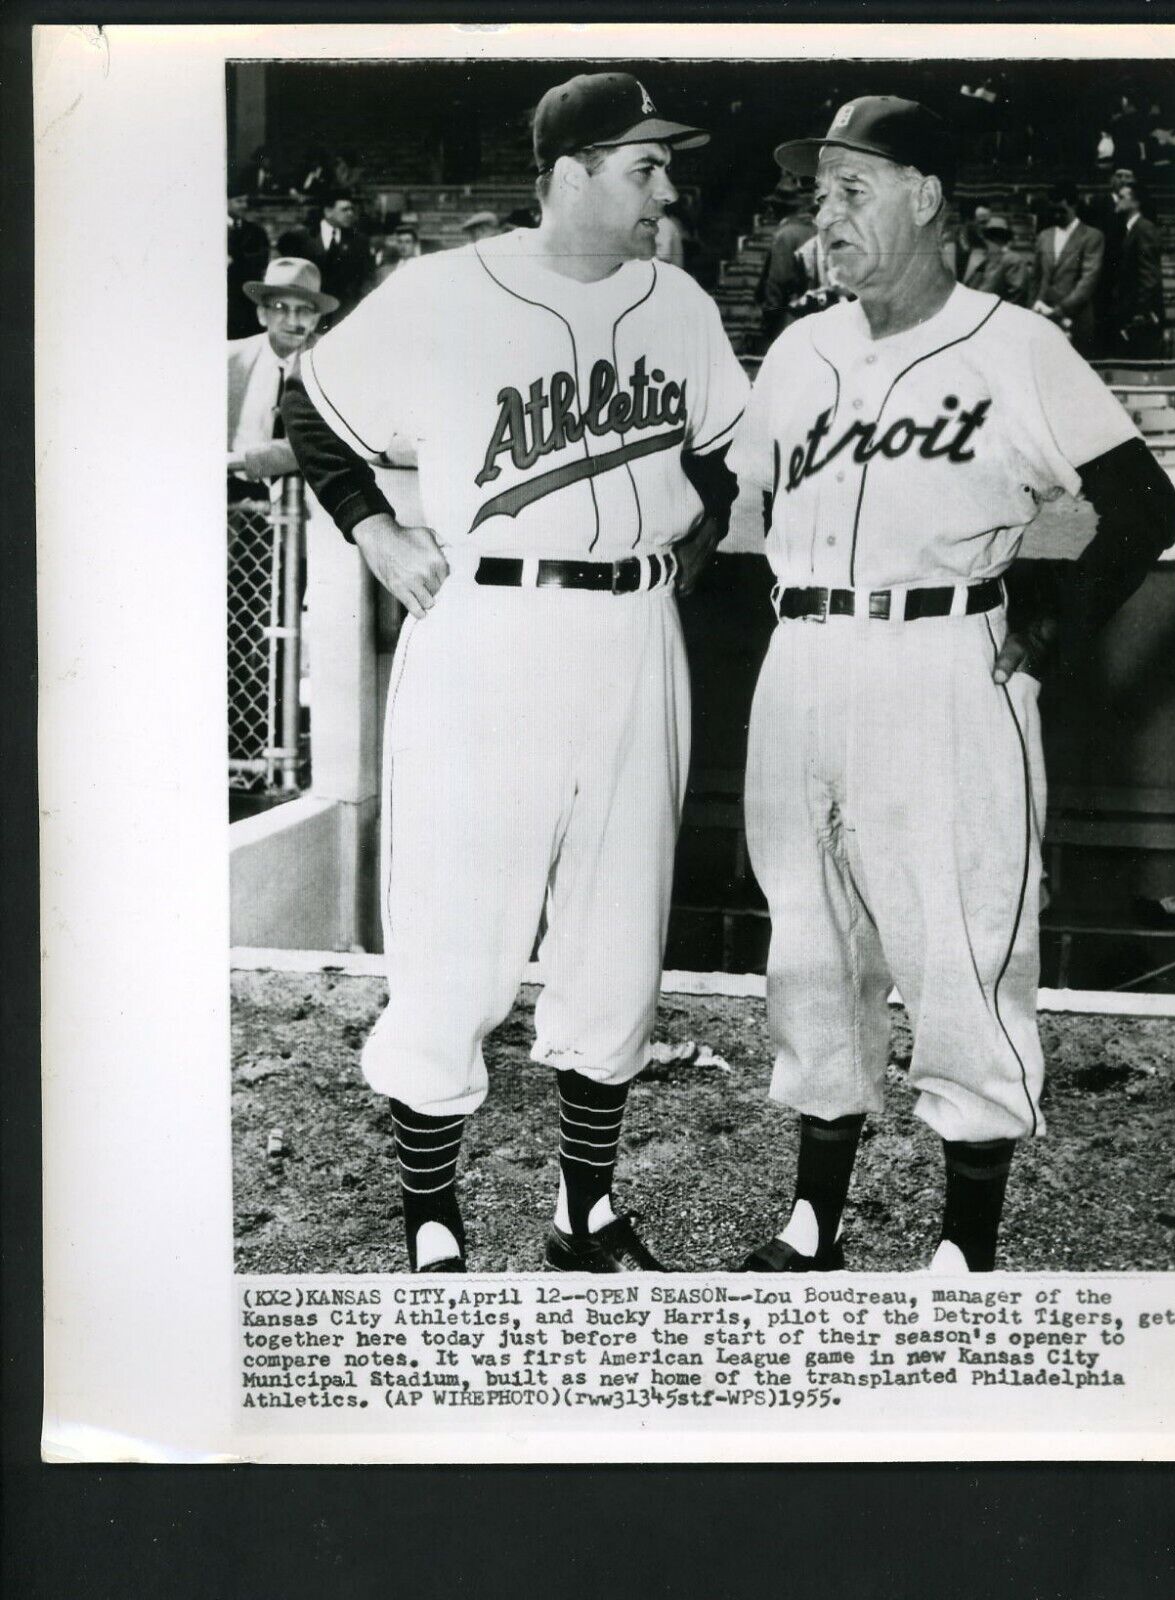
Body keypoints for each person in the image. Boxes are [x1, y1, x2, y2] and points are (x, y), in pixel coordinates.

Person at [282, 71, 751, 1274]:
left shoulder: (679, 301)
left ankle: (582, 1214)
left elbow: (716, 456)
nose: (666, 184)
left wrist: (694, 527)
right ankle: (432, 1223)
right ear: (572, 170)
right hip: (488, 627)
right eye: (643, 164)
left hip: (635, 633)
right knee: (456, 920)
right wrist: (374, 531)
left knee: (616, 927)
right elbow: (313, 404)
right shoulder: (441, 289)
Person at [727, 95, 1175, 1275]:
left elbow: (1145, 504)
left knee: (960, 945)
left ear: (925, 196)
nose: (820, 219)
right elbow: (741, 492)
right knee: (810, 947)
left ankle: (960, 1247)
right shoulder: (796, 349)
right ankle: (811, 1220)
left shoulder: (1013, 343)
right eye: (814, 197)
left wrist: (1051, 621)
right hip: (804, 659)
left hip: (941, 660)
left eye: (848, 192)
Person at [227, 258, 336, 501]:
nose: (293, 320)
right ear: (261, 314)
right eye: (279, 307)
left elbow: (314, 444)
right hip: (230, 499)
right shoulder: (229, 359)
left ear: (316, 320)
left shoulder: (328, 364)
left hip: (304, 501)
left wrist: (234, 461)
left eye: (304, 310)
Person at [1031, 183, 1105, 355]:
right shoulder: (1044, 236)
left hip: (1076, 319)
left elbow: (1088, 280)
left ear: (1073, 205)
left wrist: (1061, 310)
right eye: (1052, 209)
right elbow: (1036, 277)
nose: (1056, 214)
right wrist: (1033, 306)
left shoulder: (1092, 236)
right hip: (1042, 317)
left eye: (1061, 209)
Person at [280, 191, 373, 322]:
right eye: (344, 210)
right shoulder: (303, 237)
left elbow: (367, 275)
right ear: (328, 211)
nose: (350, 214)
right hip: (311, 306)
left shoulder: (359, 241)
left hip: (345, 311)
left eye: (352, 209)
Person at [754, 175, 817, 343]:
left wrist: (770, 318)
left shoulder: (785, 235)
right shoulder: (813, 230)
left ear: (776, 208)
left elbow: (779, 281)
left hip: (791, 316)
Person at [1108, 180, 1165, 358]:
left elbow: (1149, 276)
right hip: (1131, 313)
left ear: (1136, 202)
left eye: (1122, 197)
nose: (1117, 200)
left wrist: (1141, 313)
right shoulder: (1131, 229)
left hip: (1139, 318)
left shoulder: (1143, 229)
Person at [227, 184, 271, 338]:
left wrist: (234, 260)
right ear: (225, 202)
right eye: (239, 201)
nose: (244, 206)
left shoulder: (256, 232)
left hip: (246, 300)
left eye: (245, 201)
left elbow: (260, 261)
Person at [964, 214, 1029, 304]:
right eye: (989, 236)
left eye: (994, 236)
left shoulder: (1012, 259)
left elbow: (1016, 293)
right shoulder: (986, 259)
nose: (989, 241)